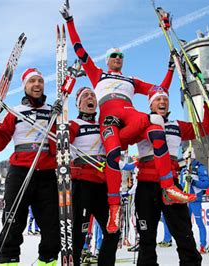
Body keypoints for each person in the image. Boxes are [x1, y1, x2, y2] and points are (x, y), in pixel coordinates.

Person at [60, 0, 195, 234]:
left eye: (121, 55)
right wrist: (71, 22)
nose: (118, 58)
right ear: (107, 60)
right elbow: (81, 52)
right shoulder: (98, 75)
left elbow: (158, 91)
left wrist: (171, 69)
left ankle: (169, 186)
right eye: (114, 55)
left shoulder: (131, 80)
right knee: (112, 153)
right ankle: (114, 209)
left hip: (130, 116)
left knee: (155, 126)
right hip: (110, 119)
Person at [134, 85, 209, 265]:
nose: (162, 101)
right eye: (158, 99)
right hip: (146, 186)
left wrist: (208, 103)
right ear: (150, 104)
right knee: (146, 238)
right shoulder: (141, 121)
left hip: (171, 185)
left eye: (165, 99)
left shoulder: (177, 125)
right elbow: (123, 137)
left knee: (184, 234)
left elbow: (206, 128)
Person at [0, 68, 60, 266]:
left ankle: (48, 261)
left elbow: (62, 144)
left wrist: (59, 121)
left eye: (40, 80)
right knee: (12, 222)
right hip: (19, 172)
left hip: (46, 174)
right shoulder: (15, 112)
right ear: (25, 86)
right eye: (32, 81)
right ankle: (7, 261)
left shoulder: (53, 112)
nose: (37, 84)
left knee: (51, 225)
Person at [69, 87, 120, 265]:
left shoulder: (104, 126)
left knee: (113, 231)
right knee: (79, 233)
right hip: (83, 185)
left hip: (104, 186)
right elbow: (60, 144)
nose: (90, 98)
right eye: (85, 96)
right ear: (79, 104)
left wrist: (117, 124)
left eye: (92, 95)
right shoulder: (74, 124)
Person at [181, 151, 209, 254]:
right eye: (184, 159)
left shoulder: (199, 168)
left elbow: (206, 184)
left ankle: (203, 245)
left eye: (186, 159)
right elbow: (181, 184)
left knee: (199, 223)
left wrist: (193, 182)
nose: (185, 161)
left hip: (195, 200)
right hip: (185, 200)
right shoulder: (184, 170)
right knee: (185, 224)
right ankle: (187, 244)